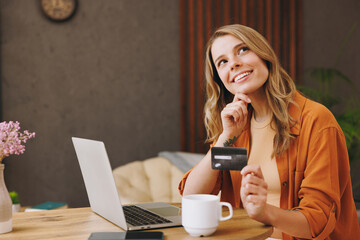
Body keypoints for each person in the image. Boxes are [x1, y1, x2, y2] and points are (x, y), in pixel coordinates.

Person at [178, 24, 360, 240]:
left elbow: (316, 222)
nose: (234, 63)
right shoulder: (238, 130)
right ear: (220, 79)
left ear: (264, 55)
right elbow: (193, 196)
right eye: (223, 62)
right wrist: (225, 138)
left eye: (243, 49)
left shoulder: (316, 121)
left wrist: (263, 212)